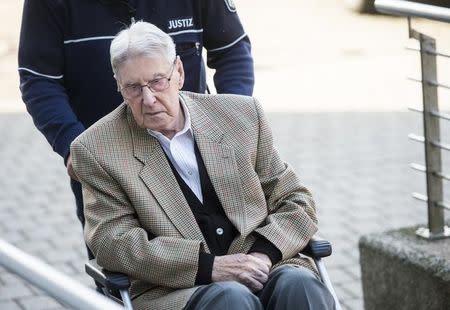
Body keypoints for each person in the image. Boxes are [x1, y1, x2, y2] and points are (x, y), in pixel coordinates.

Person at [70, 21, 335, 310]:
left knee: (299, 285)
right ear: (119, 87)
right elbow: (113, 243)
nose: (148, 99)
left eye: (158, 81)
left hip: (264, 266)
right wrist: (209, 268)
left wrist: (264, 254)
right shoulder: (96, 150)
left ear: (179, 73)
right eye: (133, 87)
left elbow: (295, 200)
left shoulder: (241, 115)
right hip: (176, 290)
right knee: (231, 300)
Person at [17, 0, 254, 257]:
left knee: (229, 257)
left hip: (195, 148)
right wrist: (71, 144)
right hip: (107, 163)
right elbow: (39, 80)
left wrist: (227, 119)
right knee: (124, 266)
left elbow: (232, 51)